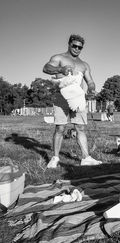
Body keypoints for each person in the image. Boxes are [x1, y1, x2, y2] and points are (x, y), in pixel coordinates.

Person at [43, 34, 102, 168]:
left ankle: (86, 158)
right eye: (74, 46)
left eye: (80, 47)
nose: (76, 49)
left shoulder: (84, 64)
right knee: (60, 127)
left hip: (78, 98)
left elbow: (90, 81)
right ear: (69, 44)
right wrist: (60, 69)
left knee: (80, 127)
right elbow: (46, 68)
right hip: (61, 96)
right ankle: (55, 158)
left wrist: (92, 88)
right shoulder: (59, 58)